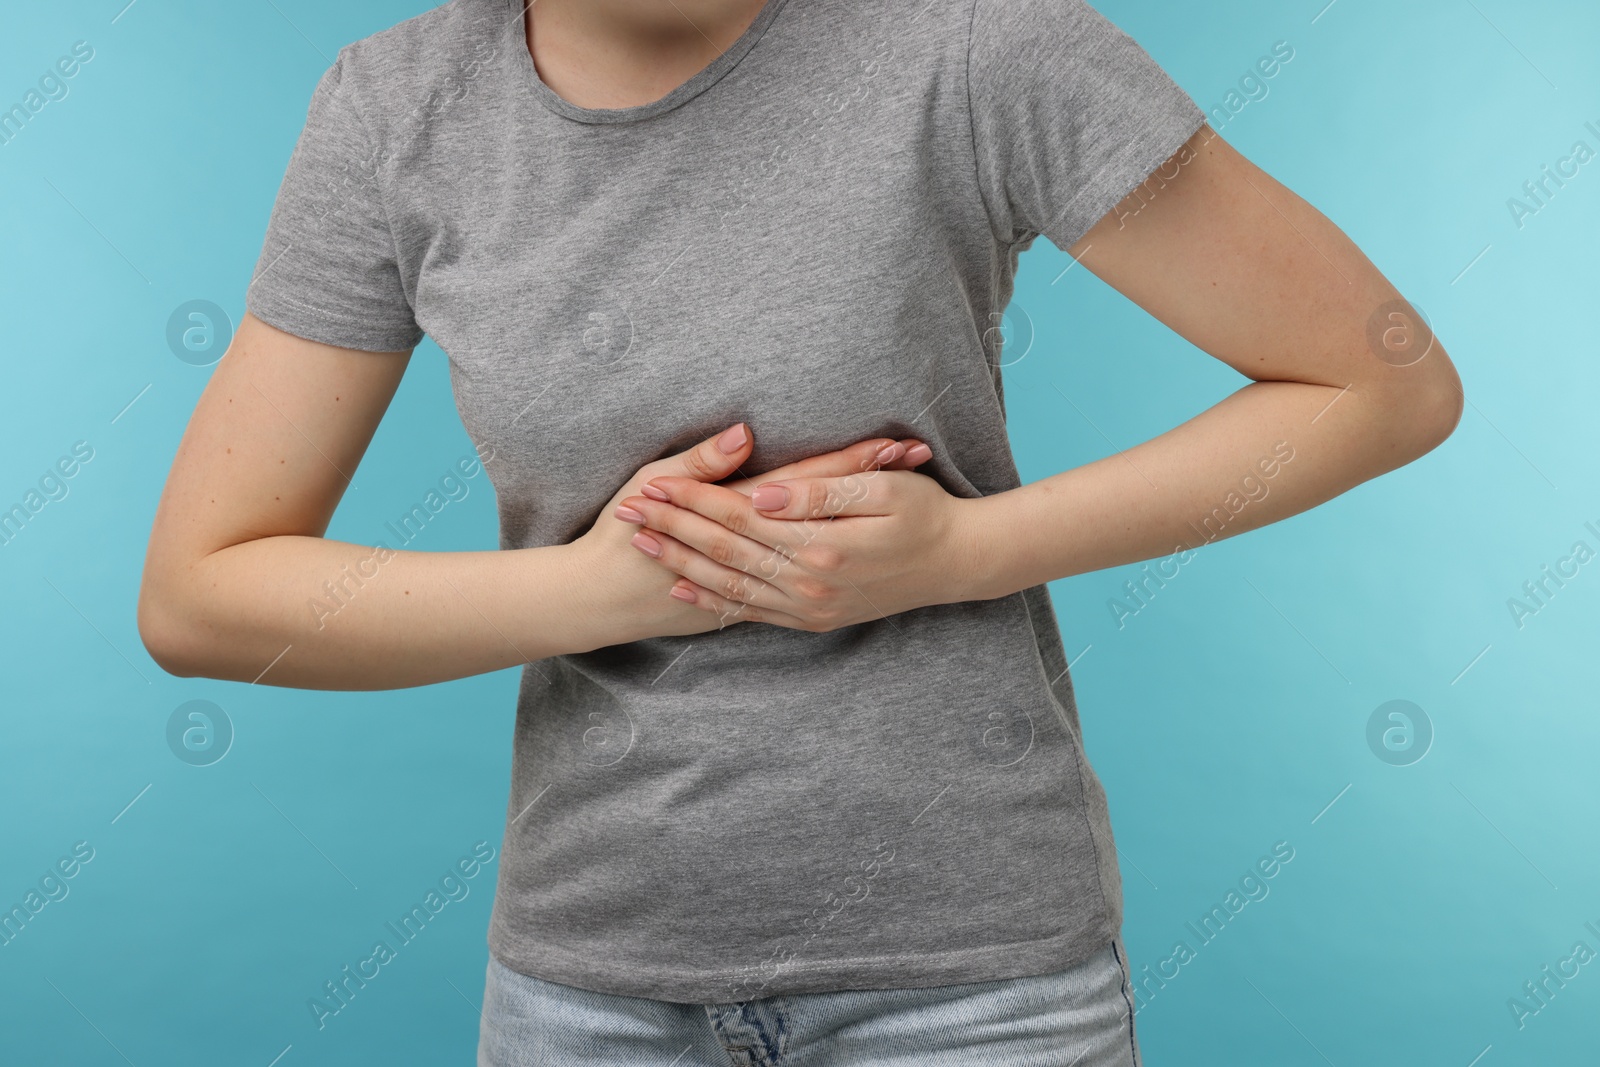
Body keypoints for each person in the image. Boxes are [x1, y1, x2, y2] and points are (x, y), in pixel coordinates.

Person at [136, 0, 1463, 1063]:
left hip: (973, 993)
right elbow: (202, 595)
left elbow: (1385, 382)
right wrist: (609, 588)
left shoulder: (974, 46)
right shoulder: (392, 109)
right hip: (588, 993)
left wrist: (965, 550)